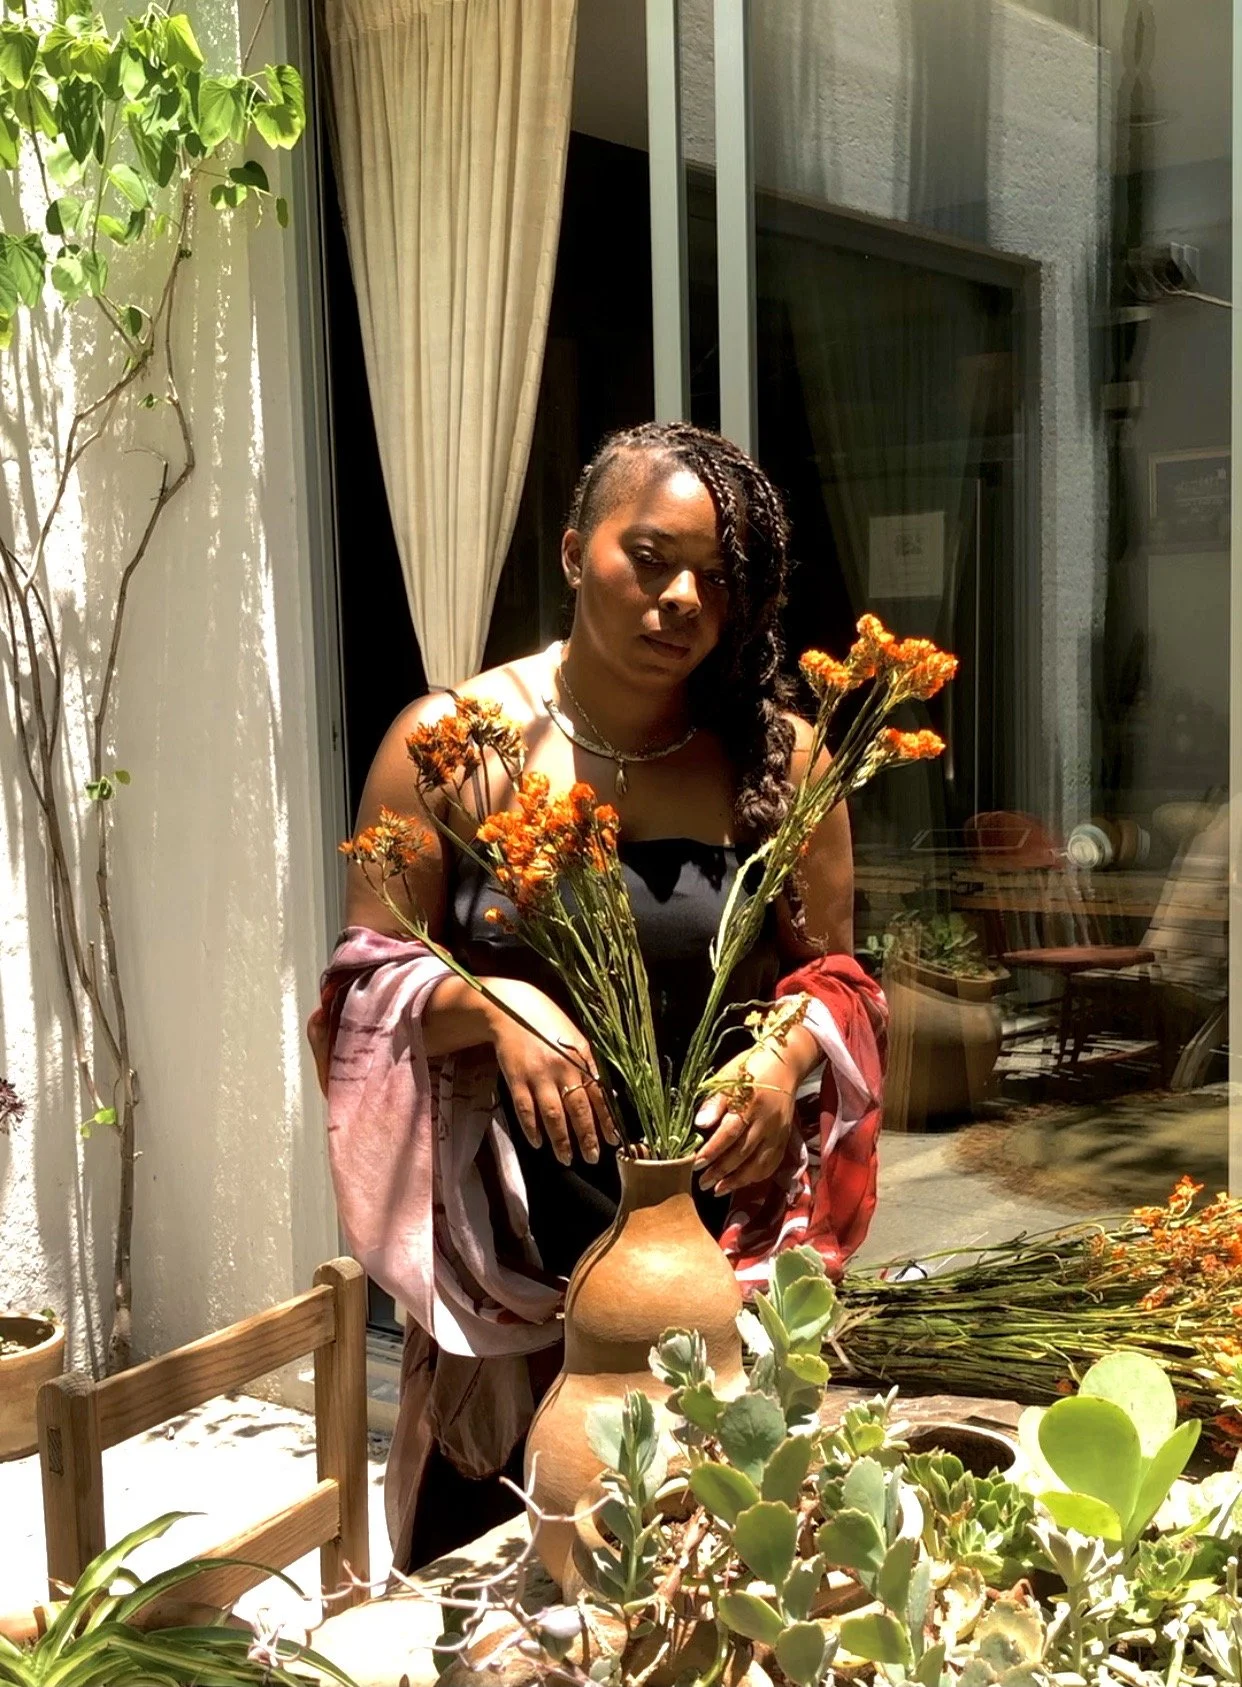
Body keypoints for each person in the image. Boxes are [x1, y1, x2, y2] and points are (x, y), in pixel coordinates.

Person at [308, 422, 885, 1572]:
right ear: (577, 552)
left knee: (706, 1575)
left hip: (714, 1260)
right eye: (651, 559)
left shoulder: (783, 762)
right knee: (498, 1592)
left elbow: (837, 978)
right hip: (511, 1277)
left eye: (717, 578)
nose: (682, 600)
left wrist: (782, 1058)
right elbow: (362, 987)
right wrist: (491, 1005)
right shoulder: (453, 749)